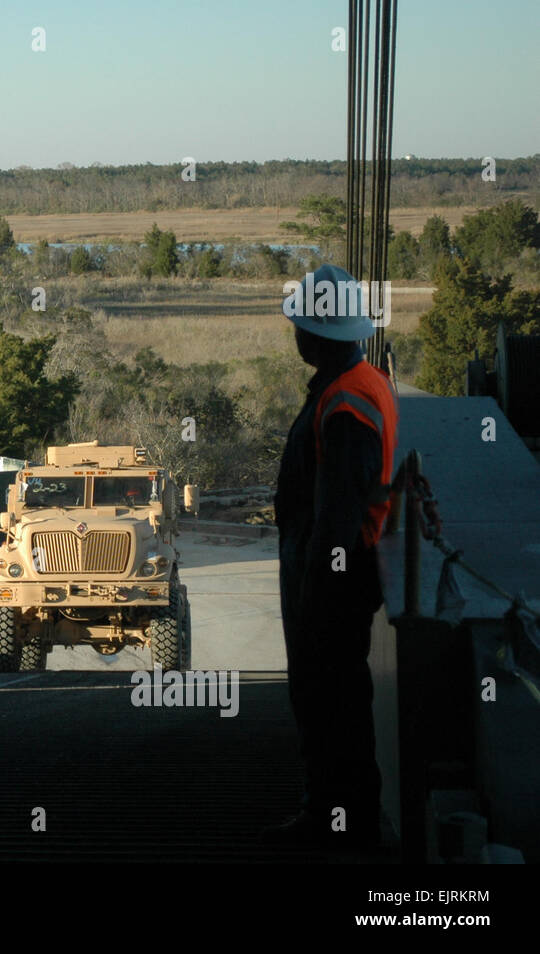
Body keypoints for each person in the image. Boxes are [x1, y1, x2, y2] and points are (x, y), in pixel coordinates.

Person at [262, 264, 399, 849]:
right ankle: (344, 819)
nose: (295, 334)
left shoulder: (345, 405)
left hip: (331, 581)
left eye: (300, 325)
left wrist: (317, 591)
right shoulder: (361, 382)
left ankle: (335, 824)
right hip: (335, 574)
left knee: (327, 703)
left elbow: (338, 516)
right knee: (338, 699)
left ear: (318, 335)